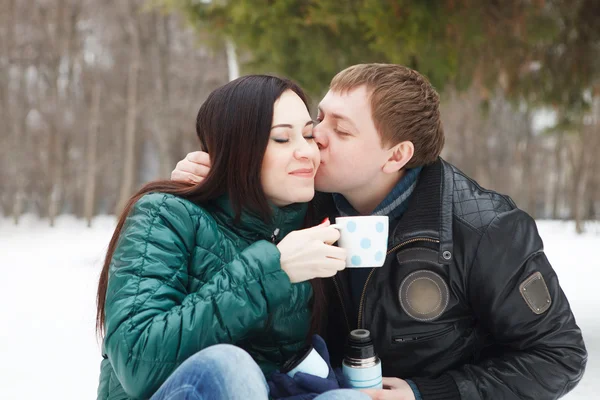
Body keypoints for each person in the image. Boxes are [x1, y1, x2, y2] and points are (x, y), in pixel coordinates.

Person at [171, 63, 588, 400]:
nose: (315, 136)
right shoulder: (300, 198)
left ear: (396, 156)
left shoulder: (484, 230)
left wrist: (428, 393)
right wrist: (217, 183)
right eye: (320, 118)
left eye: (342, 130)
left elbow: (558, 356)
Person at [95, 74, 370, 400]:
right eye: (282, 139)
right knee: (227, 366)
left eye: (309, 136)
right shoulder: (165, 215)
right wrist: (273, 270)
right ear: (238, 148)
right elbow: (137, 361)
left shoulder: (311, 223)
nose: (306, 152)